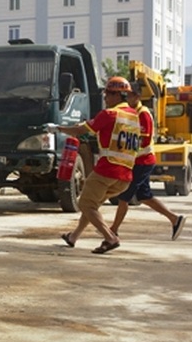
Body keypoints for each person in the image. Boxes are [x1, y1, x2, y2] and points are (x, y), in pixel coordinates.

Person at [56, 76, 140, 254]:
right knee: (92, 204)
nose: (105, 98)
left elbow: (80, 131)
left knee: (86, 204)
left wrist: (58, 128)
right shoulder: (133, 117)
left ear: (118, 95)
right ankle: (74, 236)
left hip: (107, 170)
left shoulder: (110, 114)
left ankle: (110, 237)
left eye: (108, 94)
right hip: (125, 175)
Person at [109, 82, 186, 240]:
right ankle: (174, 219)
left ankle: (113, 230)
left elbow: (143, 140)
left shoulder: (143, 114)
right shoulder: (132, 113)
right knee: (144, 196)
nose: (126, 99)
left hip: (142, 161)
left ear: (137, 96)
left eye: (128, 96)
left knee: (124, 196)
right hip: (138, 161)